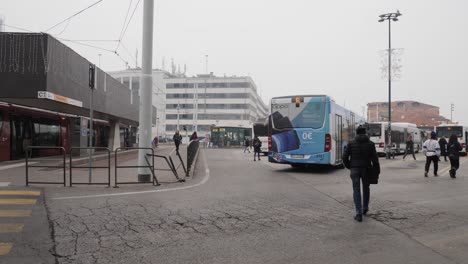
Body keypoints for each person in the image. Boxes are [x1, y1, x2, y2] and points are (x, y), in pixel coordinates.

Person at [342, 126, 380, 222]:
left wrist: (349, 166)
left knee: (356, 190)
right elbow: (375, 159)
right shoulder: (370, 144)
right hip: (366, 169)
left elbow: (344, 157)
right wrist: (377, 171)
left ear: (357, 133)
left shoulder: (351, 143)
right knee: (366, 188)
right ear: (365, 132)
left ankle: (358, 213)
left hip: (354, 169)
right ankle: (365, 208)